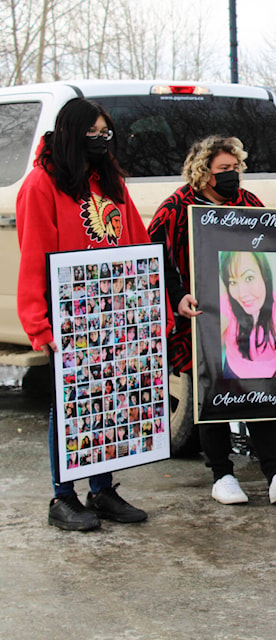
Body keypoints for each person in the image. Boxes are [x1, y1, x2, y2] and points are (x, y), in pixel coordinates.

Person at [148, 135, 276, 505]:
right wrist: (177, 297)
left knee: (260, 387)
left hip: (250, 319)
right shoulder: (176, 208)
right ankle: (222, 474)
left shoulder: (249, 203)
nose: (233, 175)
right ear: (203, 171)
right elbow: (155, 256)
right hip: (202, 318)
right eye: (224, 169)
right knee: (212, 397)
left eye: (236, 167)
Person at [16, 98, 150, 531]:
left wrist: (153, 306)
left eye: (105, 131)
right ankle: (63, 497)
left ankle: (102, 489)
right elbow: (34, 255)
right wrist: (39, 323)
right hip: (70, 314)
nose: (100, 139)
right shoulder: (41, 184)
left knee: (107, 402)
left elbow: (137, 244)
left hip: (116, 312)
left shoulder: (110, 182)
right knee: (68, 404)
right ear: (72, 133)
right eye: (91, 132)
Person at [219, 251, 276, 379]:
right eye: (233, 282)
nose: (241, 294)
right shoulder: (226, 304)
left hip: (269, 380)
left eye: (249, 278)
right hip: (232, 375)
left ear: (264, 276)